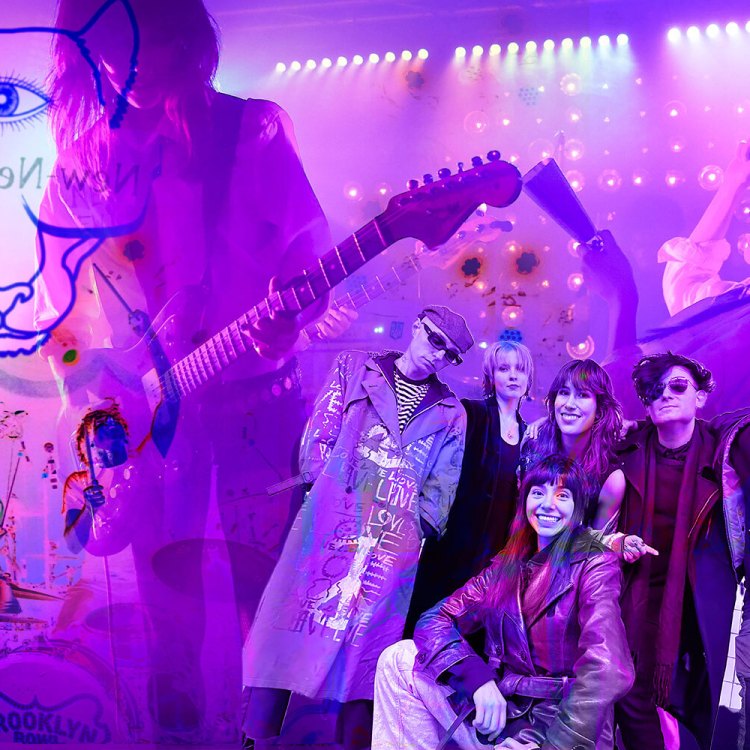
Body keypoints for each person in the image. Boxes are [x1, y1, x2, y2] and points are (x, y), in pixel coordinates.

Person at [36, 0, 332, 740]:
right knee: (167, 615)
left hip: (256, 402)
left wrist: (292, 314)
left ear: (184, 37)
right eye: (107, 48)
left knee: (268, 597)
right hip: (144, 419)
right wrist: (88, 393)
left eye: (148, 43)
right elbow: (59, 313)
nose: (126, 66)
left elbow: (309, 256)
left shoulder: (251, 131)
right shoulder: (81, 164)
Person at [241, 305, 473, 750]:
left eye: (449, 354)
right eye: (435, 340)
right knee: (290, 624)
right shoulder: (354, 367)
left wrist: (417, 528)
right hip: (331, 519)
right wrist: (324, 493)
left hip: (392, 539)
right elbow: (320, 434)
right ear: (417, 327)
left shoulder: (451, 412)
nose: (438, 355)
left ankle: (354, 743)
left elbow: (443, 484)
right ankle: (256, 738)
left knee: (368, 645)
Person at [372, 455, 634, 750]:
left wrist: (555, 745)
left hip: (558, 729)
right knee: (399, 659)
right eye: (538, 492)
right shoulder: (507, 566)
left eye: (562, 496)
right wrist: (477, 679)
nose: (548, 504)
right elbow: (437, 618)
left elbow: (607, 667)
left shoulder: (594, 563)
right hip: (504, 716)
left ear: (578, 508)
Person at [613, 352, 750, 750]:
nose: (666, 396)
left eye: (677, 386)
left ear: (700, 397)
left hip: (700, 600)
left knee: (699, 704)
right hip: (633, 594)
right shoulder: (624, 450)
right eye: (655, 391)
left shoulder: (722, 451)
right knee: (629, 693)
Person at [405, 339, 533, 636]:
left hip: (494, 555)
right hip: (452, 545)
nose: (513, 376)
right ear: (491, 376)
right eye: (504, 369)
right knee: (427, 624)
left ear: (528, 378)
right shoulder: (470, 414)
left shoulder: (529, 435)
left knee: (471, 634)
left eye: (520, 369)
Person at [522, 358, 626, 531]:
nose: (569, 404)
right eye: (564, 392)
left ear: (599, 409)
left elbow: (598, 542)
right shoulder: (533, 450)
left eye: (582, 395)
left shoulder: (610, 479)